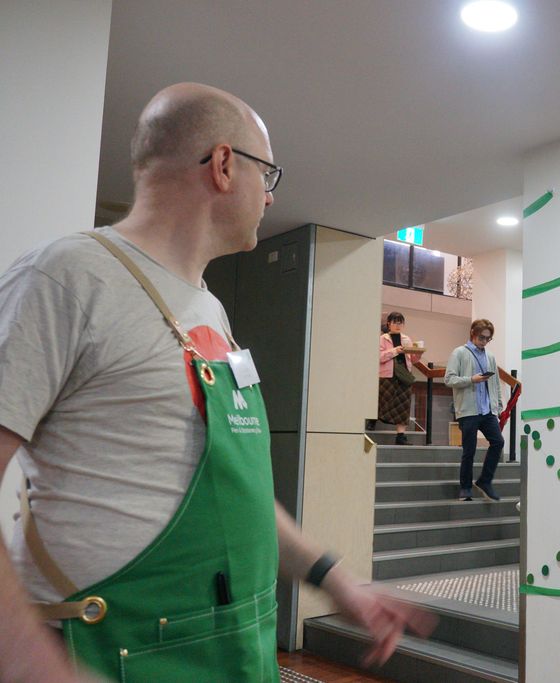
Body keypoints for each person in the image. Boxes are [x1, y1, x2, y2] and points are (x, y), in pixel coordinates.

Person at [0, 82, 432, 683]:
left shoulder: (211, 312)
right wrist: (27, 661)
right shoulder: (66, 276)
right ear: (225, 165)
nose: (271, 196)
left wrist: (336, 579)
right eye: (268, 173)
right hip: (113, 654)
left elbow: (237, 494)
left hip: (235, 651)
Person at [444, 319, 504, 502]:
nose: (484, 341)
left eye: (488, 338)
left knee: (498, 442)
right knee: (469, 450)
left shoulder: (490, 357)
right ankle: (465, 488)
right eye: (481, 337)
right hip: (468, 410)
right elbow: (449, 379)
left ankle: (485, 480)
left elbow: (495, 383)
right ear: (472, 333)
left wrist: (499, 405)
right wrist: (471, 379)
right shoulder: (460, 353)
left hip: (487, 411)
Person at [377, 312, 423, 445]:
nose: (398, 325)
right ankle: (373, 420)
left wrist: (417, 354)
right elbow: (379, 357)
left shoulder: (406, 339)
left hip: (404, 375)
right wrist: (395, 351)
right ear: (389, 324)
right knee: (383, 401)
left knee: (403, 405)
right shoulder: (383, 338)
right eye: (395, 322)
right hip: (387, 375)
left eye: (400, 322)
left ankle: (401, 436)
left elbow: (411, 359)